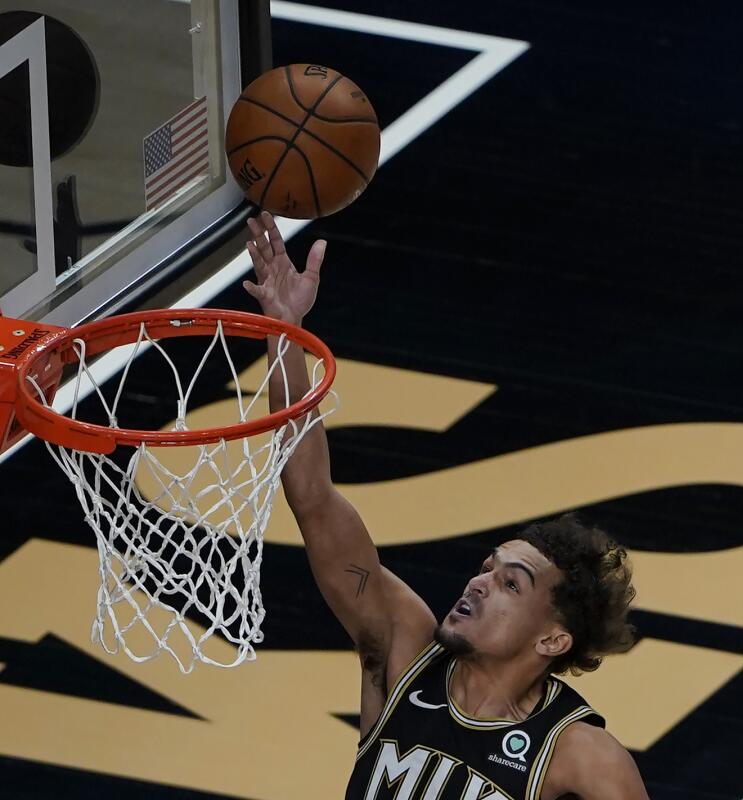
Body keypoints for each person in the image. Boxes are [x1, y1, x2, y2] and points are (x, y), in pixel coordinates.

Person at [243, 212, 649, 800]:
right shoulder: (404, 647)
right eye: (489, 568)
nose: (480, 583)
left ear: (553, 640)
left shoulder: (582, 759)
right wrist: (286, 332)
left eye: (512, 584)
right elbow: (312, 497)